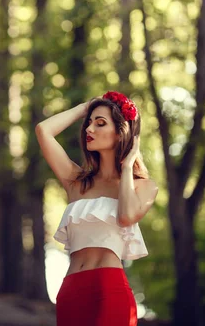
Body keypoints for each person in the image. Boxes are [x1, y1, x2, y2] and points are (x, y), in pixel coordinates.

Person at [35, 91, 158, 326]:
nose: (89, 129)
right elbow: (43, 130)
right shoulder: (76, 181)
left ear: (121, 132)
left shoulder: (144, 187)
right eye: (89, 123)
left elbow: (126, 216)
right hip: (71, 290)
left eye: (100, 123)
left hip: (109, 289)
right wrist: (86, 106)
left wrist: (127, 166)